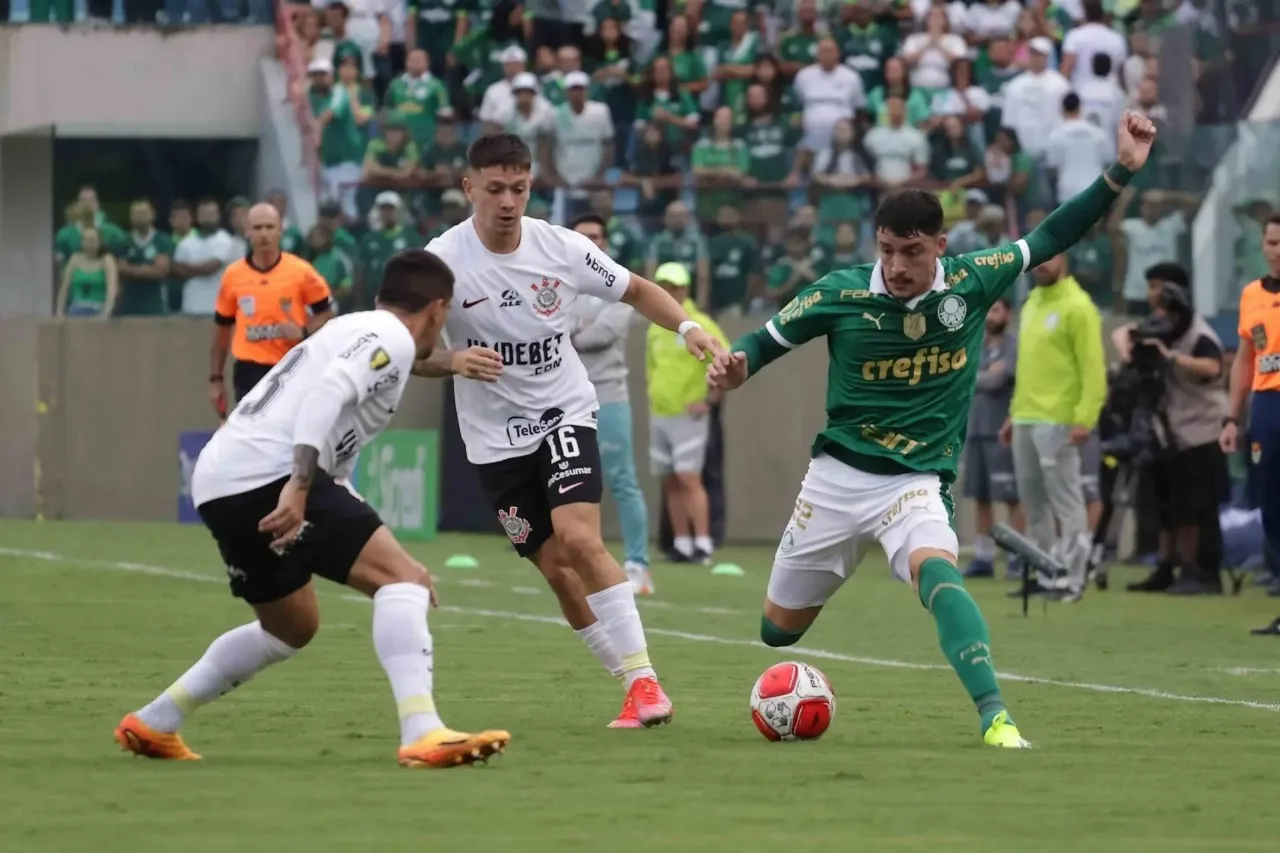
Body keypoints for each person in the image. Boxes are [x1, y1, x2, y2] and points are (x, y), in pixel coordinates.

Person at [708, 111, 1157, 749]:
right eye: (887, 250)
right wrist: (736, 367)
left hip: (916, 482)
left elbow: (1054, 233)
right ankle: (831, 577)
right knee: (777, 634)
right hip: (835, 480)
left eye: (912, 251)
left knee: (938, 571)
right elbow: (764, 341)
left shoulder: (973, 281)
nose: (896, 265)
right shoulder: (840, 294)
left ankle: (996, 716)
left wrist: (1121, 172)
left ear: (940, 246)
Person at [114, 250, 511, 768]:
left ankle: (155, 721)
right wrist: (300, 486)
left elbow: (365, 388)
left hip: (221, 479)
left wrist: (451, 362)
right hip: (273, 475)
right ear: (438, 309)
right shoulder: (390, 338)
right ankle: (423, 731)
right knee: (404, 583)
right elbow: (327, 395)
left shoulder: (357, 328)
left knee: (290, 627)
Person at [421, 133, 726, 729]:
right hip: (491, 441)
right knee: (557, 569)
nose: (508, 202)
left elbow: (637, 290)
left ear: (531, 186)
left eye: (519, 188)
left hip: (564, 410)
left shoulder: (560, 248)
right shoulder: (441, 262)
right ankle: (630, 683)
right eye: (494, 189)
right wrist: (452, 361)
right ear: (469, 189)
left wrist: (688, 329)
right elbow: (406, 348)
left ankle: (646, 683)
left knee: (581, 540)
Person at [1112, 267, 1227, 595]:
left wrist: (1172, 357)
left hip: (1202, 429)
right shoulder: (1158, 327)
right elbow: (1121, 335)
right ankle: (1166, 566)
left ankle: (1200, 571)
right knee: (1166, 504)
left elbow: (1213, 366)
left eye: (1161, 290)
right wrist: (1131, 354)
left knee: (1195, 506)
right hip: (1169, 431)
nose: (1156, 300)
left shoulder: (1197, 332)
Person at [999, 252, 1107, 600]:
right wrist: (1013, 415)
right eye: (1037, 257)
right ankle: (1045, 573)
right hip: (1027, 417)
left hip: (1059, 419)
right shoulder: (1031, 303)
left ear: (1065, 257)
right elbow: (1029, 366)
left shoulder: (1079, 307)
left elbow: (1093, 369)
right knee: (1034, 503)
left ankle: (1073, 579)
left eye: (1050, 256)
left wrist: (1084, 417)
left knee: (1067, 501)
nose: (1041, 264)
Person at [570, 213, 653, 595]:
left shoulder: (618, 284)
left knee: (621, 480)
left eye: (596, 236)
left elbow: (602, 334)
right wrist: (573, 332)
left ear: (604, 241)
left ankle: (638, 565)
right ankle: (585, 563)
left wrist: (570, 332)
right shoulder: (558, 284)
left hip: (608, 394)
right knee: (570, 483)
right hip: (566, 397)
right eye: (583, 235)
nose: (591, 241)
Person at [210, 204, 335, 422]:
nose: (264, 234)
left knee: (290, 434)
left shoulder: (300, 271)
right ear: (247, 231)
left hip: (292, 365)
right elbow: (222, 330)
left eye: (269, 227)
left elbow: (326, 313)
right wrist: (215, 378)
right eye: (257, 228)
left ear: (279, 231)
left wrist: (304, 331)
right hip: (250, 370)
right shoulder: (233, 275)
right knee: (254, 436)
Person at [646, 262, 729, 566]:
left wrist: (710, 401)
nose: (669, 292)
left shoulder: (701, 322)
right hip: (660, 413)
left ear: (686, 288)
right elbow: (651, 368)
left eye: (675, 286)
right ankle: (681, 543)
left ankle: (703, 543)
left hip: (689, 414)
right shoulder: (655, 325)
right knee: (670, 479)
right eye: (663, 286)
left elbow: (725, 361)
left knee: (688, 477)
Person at [1222, 214, 1280, 632]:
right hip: (1265, 405)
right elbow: (1245, 360)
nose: (1276, 250)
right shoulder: (1251, 295)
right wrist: (1231, 416)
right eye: (1272, 242)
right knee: (1271, 508)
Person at [962, 297, 1024, 579]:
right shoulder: (976, 344)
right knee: (981, 497)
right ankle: (984, 557)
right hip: (974, 430)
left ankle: (1017, 557)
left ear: (1008, 314)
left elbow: (996, 380)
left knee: (1011, 497)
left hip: (1002, 432)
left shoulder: (1013, 345)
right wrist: (981, 375)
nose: (991, 315)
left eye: (997, 310)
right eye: (988, 309)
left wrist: (971, 376)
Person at [55, 226, 118, 319]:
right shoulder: (75, 259)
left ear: (99, 242)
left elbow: (112, 289)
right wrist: (59, 312)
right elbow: (64, 288)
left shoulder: (106, 260)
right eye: (86, 240)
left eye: (92, 241)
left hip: (98, 308)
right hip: (76, 308)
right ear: (81, 242)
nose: (89, 244)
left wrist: (106, 313)